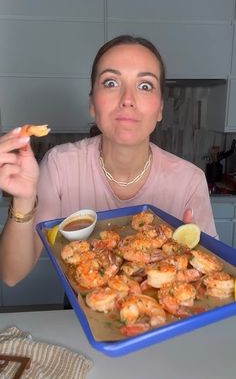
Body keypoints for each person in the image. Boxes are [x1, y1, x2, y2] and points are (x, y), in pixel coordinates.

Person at [0, 34, 217, 286]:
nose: (127, 99)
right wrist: (24, 200)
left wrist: (192, 256)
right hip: (80, 311)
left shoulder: (189, 180)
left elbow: (211, 281)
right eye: (111, 82)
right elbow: (11, 274)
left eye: (145, 85)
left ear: (160, 109)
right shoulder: (60, 165)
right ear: (92, 103)